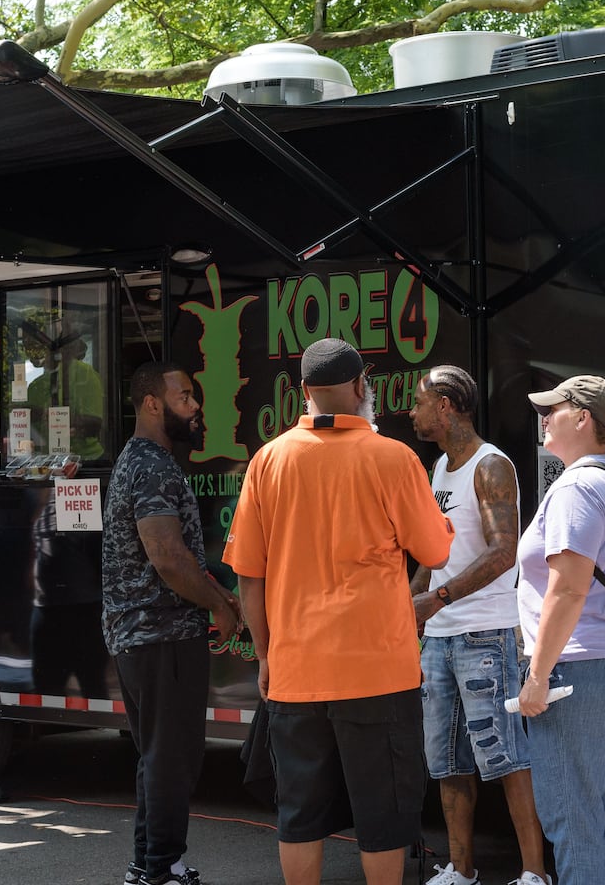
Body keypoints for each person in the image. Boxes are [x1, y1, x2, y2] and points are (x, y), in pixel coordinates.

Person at [224, 337, 453, 885]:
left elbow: (247, 575)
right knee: (383, 815)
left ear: (304, 392)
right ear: (360, 389)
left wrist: (264, 654)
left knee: (299, 814)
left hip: (296, 669)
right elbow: (437, 552)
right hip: (378, 670)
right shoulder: (394, 458)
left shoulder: (268, 460)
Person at [516, 375, 605, 885]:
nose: (542, 418)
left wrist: (537, 676)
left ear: (581, 418)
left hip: (580, 672)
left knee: (573, 817)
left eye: (551, 409)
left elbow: (567, 590)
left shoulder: (577, 486)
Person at [408, 366, 549, 885]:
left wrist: (435, 599)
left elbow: (503, 553)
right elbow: (432, 551)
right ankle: (461, 870)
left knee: (507, 756)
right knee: (446, 760)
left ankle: (534, 873)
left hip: (485, 633)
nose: (412, 412)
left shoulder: (491, 467)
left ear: (445, 406)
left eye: (420, 402)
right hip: (441, 635)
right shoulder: (439, 468)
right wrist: (411, 602)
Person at [102, 363, 243, 885]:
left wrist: (221, 594)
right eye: (184, 396)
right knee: (172, 759)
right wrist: (222, 607)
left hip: (142, 633)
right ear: (152, 404)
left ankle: (150, 866)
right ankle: (159, 868)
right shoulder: (154, 466)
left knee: (159, 756)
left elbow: (176, 558)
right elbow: (167, 558)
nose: (195, 405)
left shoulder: (140, 460)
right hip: (160, 633)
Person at [25, 318, 105, 461]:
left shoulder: (86, 375)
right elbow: (26, 427)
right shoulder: (35, 385)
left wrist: (66, 421)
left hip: (85, 460)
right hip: (45, 462)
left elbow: (96, 424)